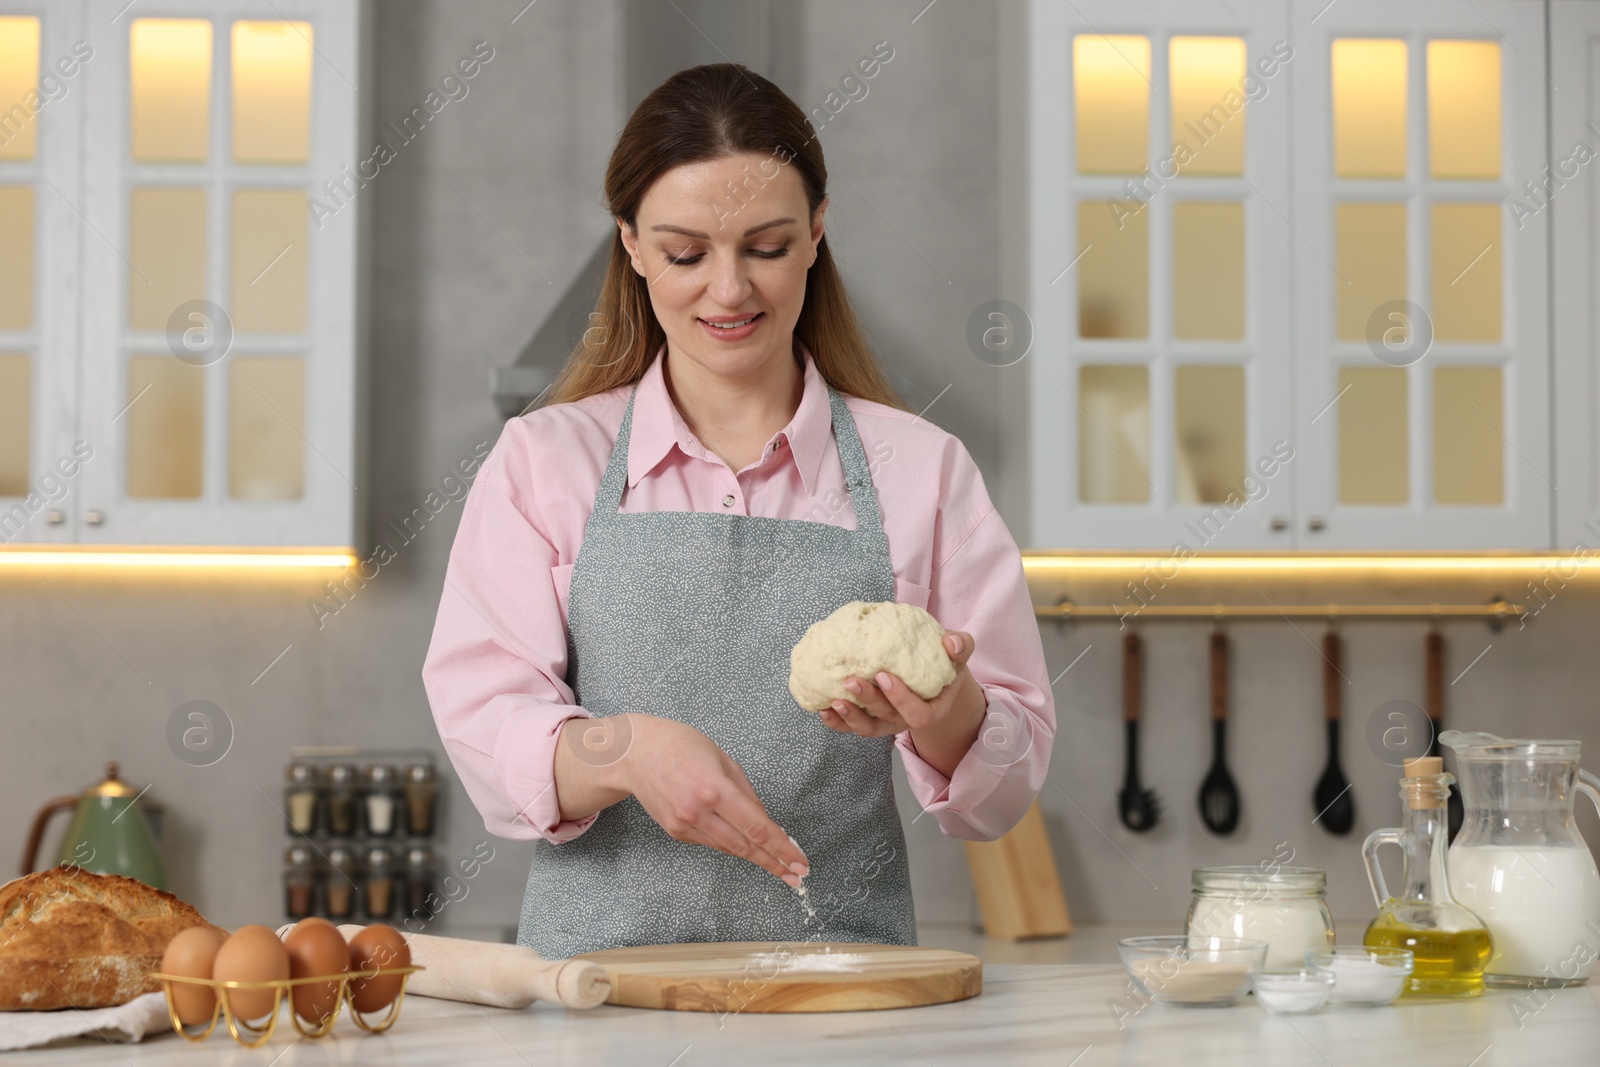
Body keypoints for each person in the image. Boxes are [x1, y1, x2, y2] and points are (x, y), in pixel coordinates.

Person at [422, 63, 1054, 959]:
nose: (729, 290)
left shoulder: (921, 470)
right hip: (599, 998)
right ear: (632, 245)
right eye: (686, 253)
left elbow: (1009, 783)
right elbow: (485, 725)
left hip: (842, 992)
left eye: (765, 246)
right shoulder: (545, 464)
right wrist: (628, 750)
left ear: (816, 234)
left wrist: (940, 705)